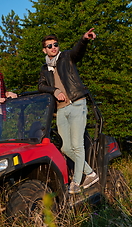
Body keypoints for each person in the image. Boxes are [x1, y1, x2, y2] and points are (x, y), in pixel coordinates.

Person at [38, 28, 99, 194]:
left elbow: (77, 52)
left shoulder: (66, 57)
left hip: (77, 104)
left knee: (78, 146)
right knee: (65, 148)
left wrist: (84, 39)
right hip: (61, 110)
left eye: (55, 44)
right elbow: (40, 85)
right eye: (49, 46)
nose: (53, 47)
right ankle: (91, 173)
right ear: (44, 50)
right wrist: (54, 91)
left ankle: (76, 182)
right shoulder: (45, 69)